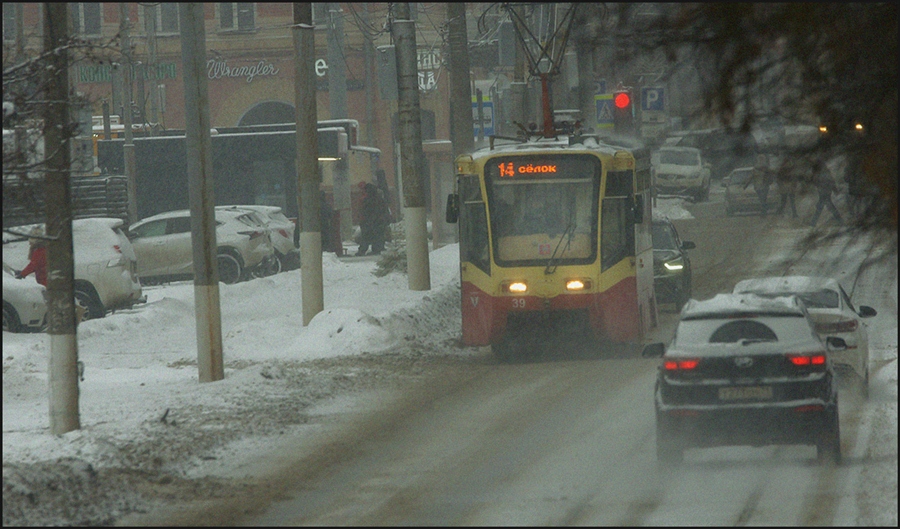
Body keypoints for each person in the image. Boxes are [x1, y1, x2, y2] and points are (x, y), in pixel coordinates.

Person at [356, 182, 391, 256]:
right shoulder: (380, 199)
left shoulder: (367, 200)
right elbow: (385, 210)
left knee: (365, 236)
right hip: (379, 221)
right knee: (378, 236)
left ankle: (362, 250)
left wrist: (363, 220)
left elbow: (365, 211)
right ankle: (377, 249)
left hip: (369, 221)